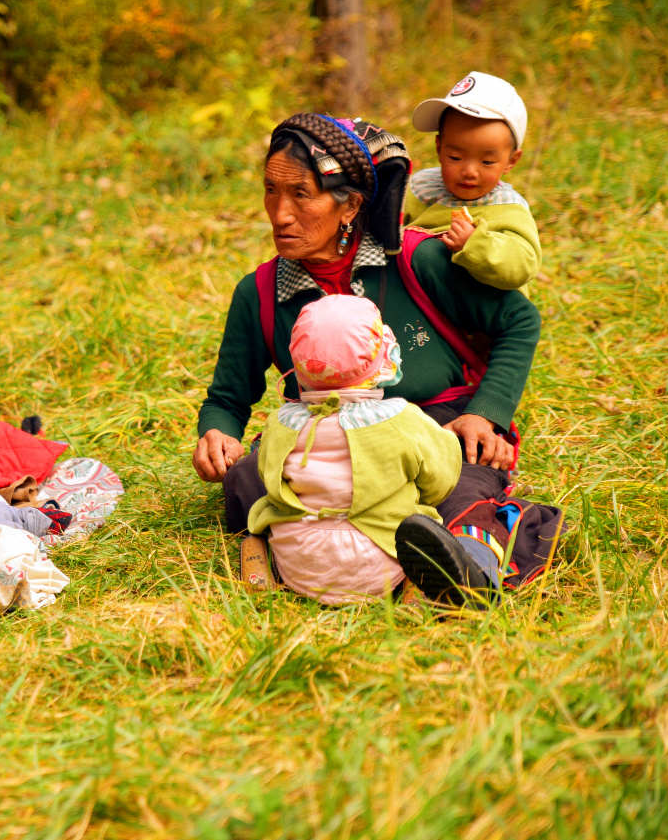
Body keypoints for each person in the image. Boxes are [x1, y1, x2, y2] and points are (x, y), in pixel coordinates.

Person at [194, 113, 563, 605]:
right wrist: (218, 432)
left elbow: (520, 321)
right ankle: (331, 549)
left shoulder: (418, 260)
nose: (280, 214)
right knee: (246, 477)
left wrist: (486, 414)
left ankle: (470, 564)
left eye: (301, 195)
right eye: (270, 191)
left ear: (350, 206)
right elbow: (228, 396)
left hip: (436, 425)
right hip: (320, 433)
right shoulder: (260, 292)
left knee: (458, 484)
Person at [247, 294, 464, 605]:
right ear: (385, 359)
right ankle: (415, 590)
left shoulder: (280, 423)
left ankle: (258, 577)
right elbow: (442, 480)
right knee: (426, 529)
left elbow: (268, 478)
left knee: (256, 529)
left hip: (301, 567)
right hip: (380, 561)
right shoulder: (401, 419)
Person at [404, 71, 540, 292]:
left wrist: (475, 245)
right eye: (455, 158)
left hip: (481, 311)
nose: (469, 172)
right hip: (420, 298)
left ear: (511, 161)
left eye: (487, 161)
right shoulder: (417, 189)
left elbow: (523, 265)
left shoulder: (508, 209)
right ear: (439, 148)